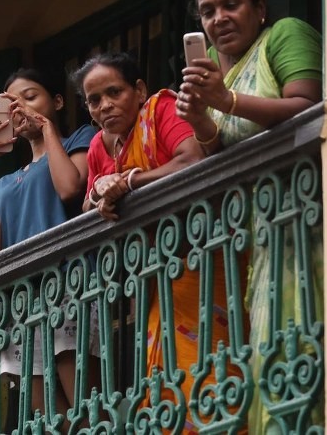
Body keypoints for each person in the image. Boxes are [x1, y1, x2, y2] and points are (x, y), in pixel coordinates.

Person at [175, 0, 324, 433]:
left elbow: (307, 106)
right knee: (269, 349)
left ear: (259, 7)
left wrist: (226, 101)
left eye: (230, 4)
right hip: (257, 234)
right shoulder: (216, 70)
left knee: (306, 334)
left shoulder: (283, 35)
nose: (218, 18)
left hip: (307, 213)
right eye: (207, 11)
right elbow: (218, 150)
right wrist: (201, 118)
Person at [75, 52, 223, 433]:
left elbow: (191, 160)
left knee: (210, 371)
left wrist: (129, 181)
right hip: (154, 276)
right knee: (166, 380)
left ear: (139, 90)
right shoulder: (99, 146)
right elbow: (89, 204)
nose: (105, 105)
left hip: (203, 256)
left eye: (115, 92)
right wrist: (100, 190)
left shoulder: (161, 110)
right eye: (94, 100)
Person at [0, 67, 97, 430]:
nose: (20, 107)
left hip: (67, 284)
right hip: (23, 301)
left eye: (30, 97)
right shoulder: (6, 182)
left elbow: (69, 188)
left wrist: (46, 128)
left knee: (86, 405)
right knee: (47, 416)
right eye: (11, 104)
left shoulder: (79, 139)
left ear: (56, 101)